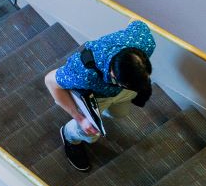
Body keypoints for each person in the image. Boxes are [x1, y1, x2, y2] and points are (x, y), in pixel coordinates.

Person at [42, 19, 156, 172]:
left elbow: (136, 20)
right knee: (90, 134)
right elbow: (50, 80)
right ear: (113, 74)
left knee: (120, 113)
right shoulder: (83, 73)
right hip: (95, 96)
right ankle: (70, 136)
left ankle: (106, 111)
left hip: (119, 92)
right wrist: (80, 118)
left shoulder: (145, 42)